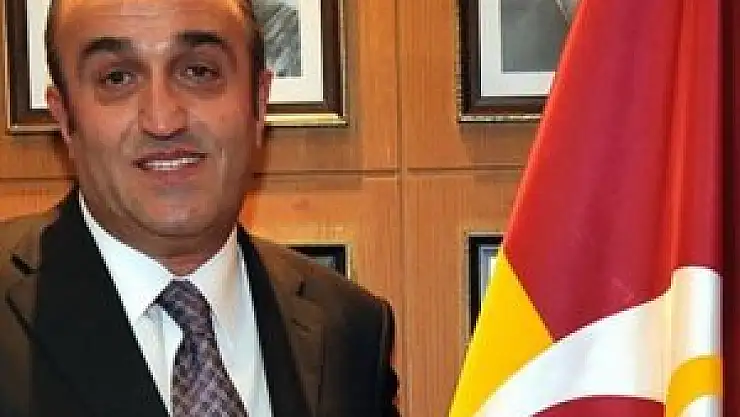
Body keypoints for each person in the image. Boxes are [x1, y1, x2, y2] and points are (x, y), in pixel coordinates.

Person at [0, 0, 399, 416]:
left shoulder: (350, 330)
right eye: (117, 78)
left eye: (198, 72)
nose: (163, 120)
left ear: (259, 102)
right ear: (65, 119)